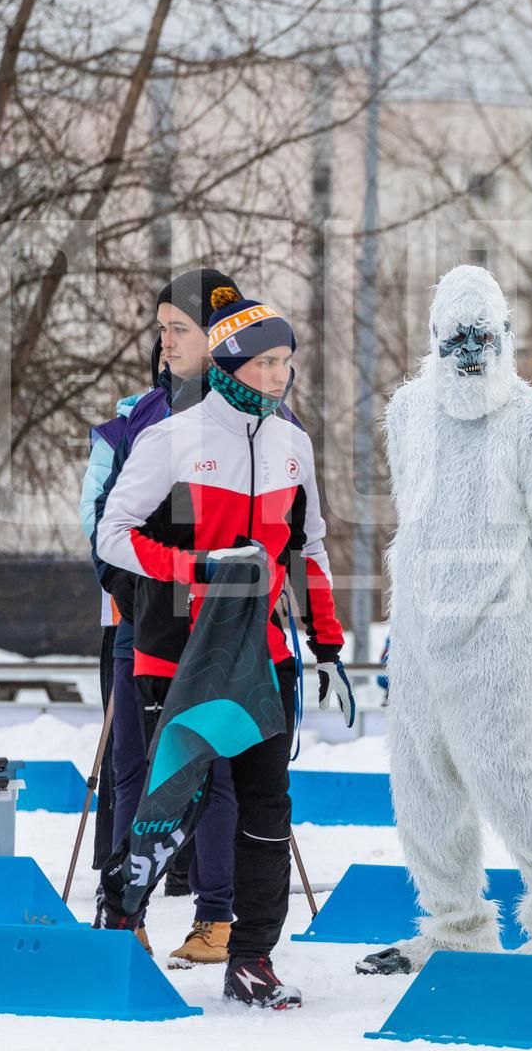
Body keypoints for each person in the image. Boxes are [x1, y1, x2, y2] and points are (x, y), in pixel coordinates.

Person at [96, 285, 348, 1009]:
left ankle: (252, 957)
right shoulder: (172, 435)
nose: (279, 375)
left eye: (286, 362)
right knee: (171, 799)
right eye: (266, 361)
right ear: (232, 362)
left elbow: (311, 549)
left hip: (261, 656)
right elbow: (113, 534)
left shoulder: (291, 443)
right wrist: (194, 568)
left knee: (267, 805)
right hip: (177, 650)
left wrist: (328, 645)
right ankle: (120, 923)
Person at [357, 265, 532, 975]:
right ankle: (454, 924)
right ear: (434, 336)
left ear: (504, 336)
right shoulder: (407, 411)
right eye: (457, 336)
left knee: (516, 778)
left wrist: (517, 582)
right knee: (422, 784)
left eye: (481, 336)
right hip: (418, 632)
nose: (469, 350)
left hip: (497, 632)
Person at [78, 267, 242, 965]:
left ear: (216, 337)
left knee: (217, 769)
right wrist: (132, 592)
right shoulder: (140, 416)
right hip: (144, 622)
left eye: (180, 328)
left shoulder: (250, 415)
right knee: (136, 769)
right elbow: (103, 521)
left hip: (219, 628)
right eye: (162, 328)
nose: (165, 341)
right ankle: (125, 915)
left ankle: (216, 917)